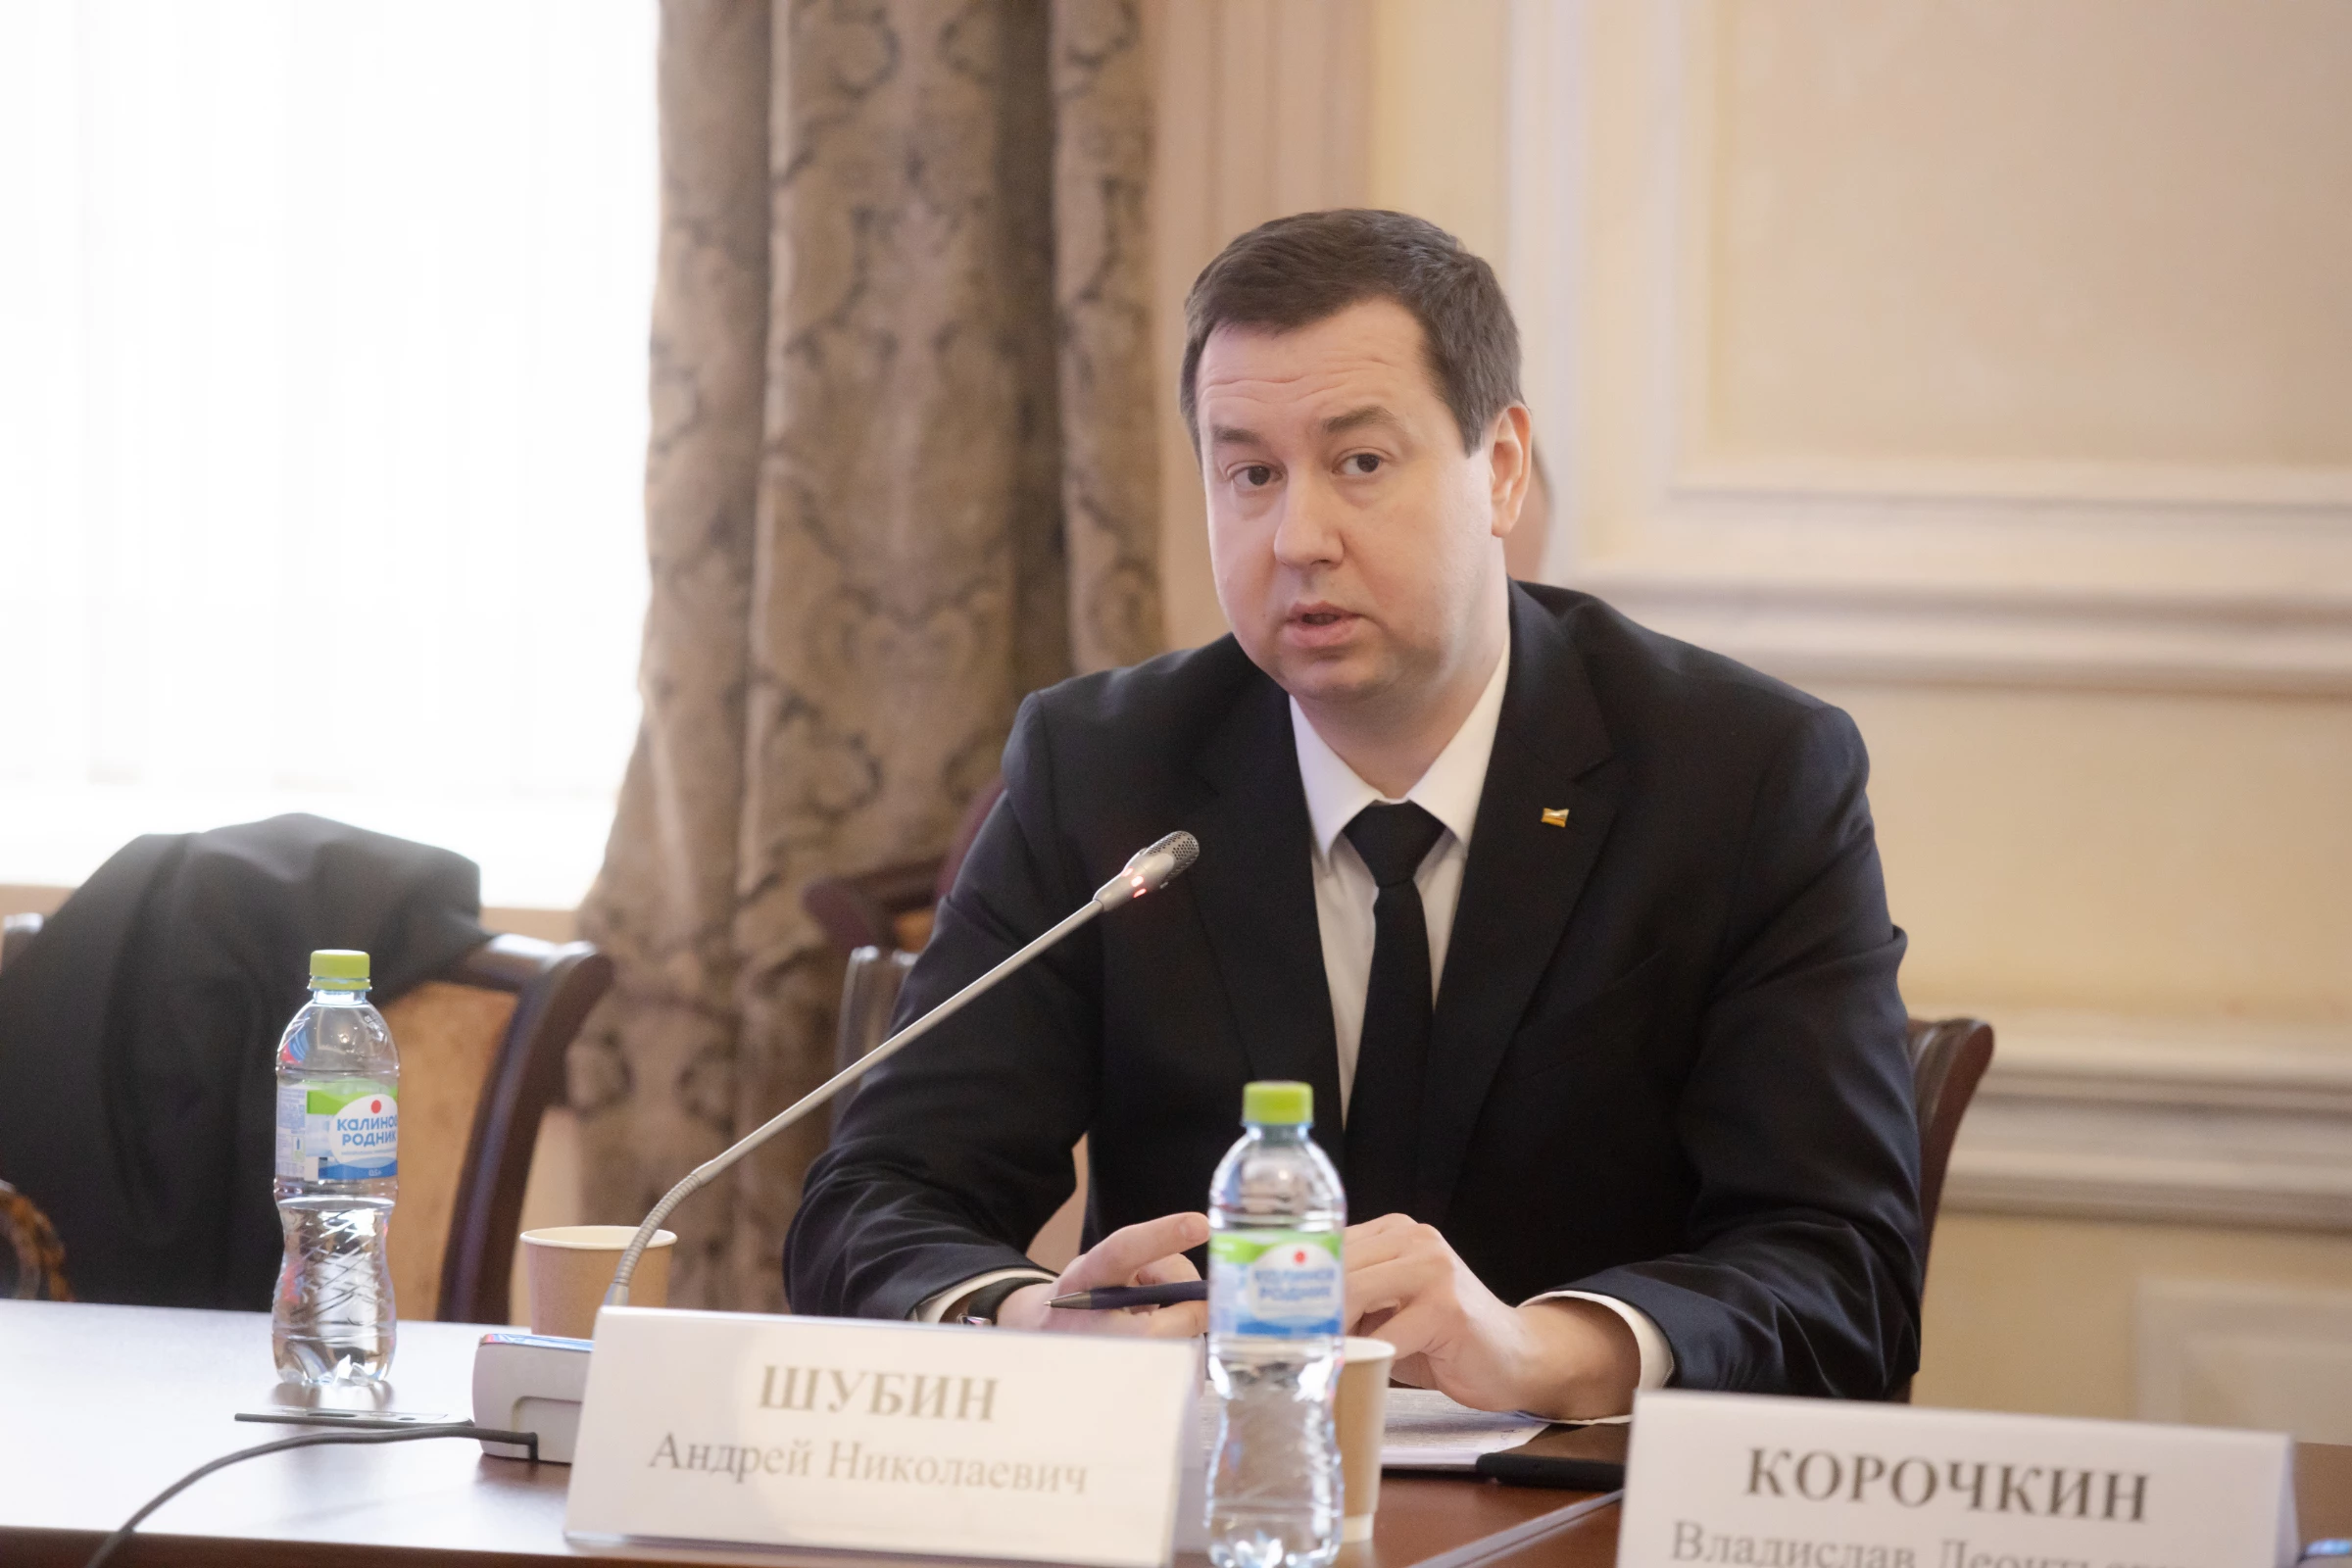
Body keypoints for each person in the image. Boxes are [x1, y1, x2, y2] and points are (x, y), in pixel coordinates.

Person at [785, 210, 1922, 1416]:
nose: (1299, 538)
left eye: (1362, 463)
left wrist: (1541, 1349)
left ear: (1501, 467)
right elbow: (877, 1198)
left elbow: (1843, 1270)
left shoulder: (1741, 777)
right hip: (1204, 1484)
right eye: (1251, 474)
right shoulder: (1105, 770)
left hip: (1577, 1493)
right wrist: (1035, 1322)